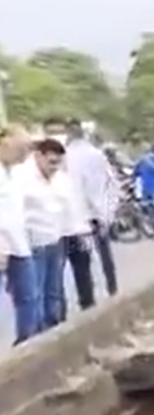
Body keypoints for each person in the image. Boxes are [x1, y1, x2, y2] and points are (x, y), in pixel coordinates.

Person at [13, 138, 91, 333]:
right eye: (51, 162)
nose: (54, 167)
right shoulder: (21, 177)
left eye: (58, 163)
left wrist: (79, 232)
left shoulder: (60, 179)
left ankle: (52, 329)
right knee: (34, 293)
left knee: (53, 291)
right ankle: (34, 334)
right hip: (32, 244)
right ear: (38, 156)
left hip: (55, 240)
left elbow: (70, 208)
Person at [63, 118, 119, 304]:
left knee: (82, 265)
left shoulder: (65, 157)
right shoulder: (96, 155)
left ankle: (88, 302)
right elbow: (107, 185)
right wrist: (105, 214)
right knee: (103, 258)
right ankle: (111, 293)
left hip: (75, 219)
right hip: (95, 216)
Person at [0, 124, 38, 343]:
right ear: (5, 143)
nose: (25, 155)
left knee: (28, 298)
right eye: (21, 149)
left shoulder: (15, 173)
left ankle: (26, 345)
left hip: (19, 245)